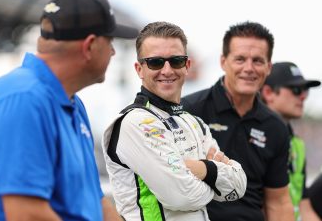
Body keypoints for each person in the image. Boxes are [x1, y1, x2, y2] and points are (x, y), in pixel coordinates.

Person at [0, 0, 138, 221]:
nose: (112, 51)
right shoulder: (23, 99)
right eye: (109, 41)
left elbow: (95, 200)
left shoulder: (72, 103)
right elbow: (26, 214)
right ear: (89, 46)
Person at [101, 21, 247, 221]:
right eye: (155, 62)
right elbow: (181, 197)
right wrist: (215, 179)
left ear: (187, 66)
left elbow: (238, 186)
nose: (167, 70)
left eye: (176, 61)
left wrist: (204, 169)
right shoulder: (135, 122)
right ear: (139, 69)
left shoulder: (194, 122)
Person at [182, 21, 294, 221]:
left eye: (258, 61)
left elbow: (278, 201)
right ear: (223, 61)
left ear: (268, 67)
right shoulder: (189, 111)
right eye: (240, 59)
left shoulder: (275, 127)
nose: (249, 68)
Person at [261, 61, 321, 221]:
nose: (303, 96)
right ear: (268, 93)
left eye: (305, 90)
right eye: (296, 90)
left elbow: (305, 207)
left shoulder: (297, 144)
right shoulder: (255, 140)